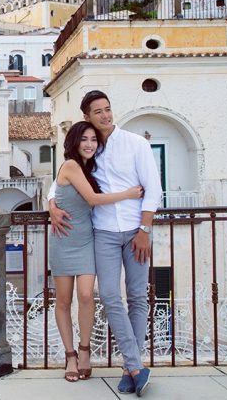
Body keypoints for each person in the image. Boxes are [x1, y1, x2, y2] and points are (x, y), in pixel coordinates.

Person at [51, 90, 161, 396]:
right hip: (102, 234)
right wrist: (51, 204)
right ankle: (136, 366)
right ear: (87, 116)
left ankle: (131, 368)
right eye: (98, 111)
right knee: (111, 296)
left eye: (108, 109)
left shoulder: (136, 144)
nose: (105, 115)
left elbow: (153, 189)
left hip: (136, 231)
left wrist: (145, 229)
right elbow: (59, 182)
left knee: (138, 297)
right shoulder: (88, 149)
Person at [47, 120, 143, 382]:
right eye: (84, 139)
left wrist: (51, 201)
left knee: (87, 295)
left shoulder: (92, 167)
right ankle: (70, 356)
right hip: (63, 239)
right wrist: (129, 194)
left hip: (87, 239)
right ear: (74, 142)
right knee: (64, 301)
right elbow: (92, 199)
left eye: (93, 140)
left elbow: (54, 189)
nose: (89, 144)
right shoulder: (70, 165)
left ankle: (84, 350)